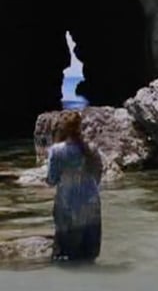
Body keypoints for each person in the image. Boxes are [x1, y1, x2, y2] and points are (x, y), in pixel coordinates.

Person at [46, 110, 103, 262]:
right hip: (91, 204)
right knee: (89, 256)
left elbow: (51, 180)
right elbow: (98, 174)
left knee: (66, 255)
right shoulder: (91, 149)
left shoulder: (56, 151)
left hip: (67, 205)